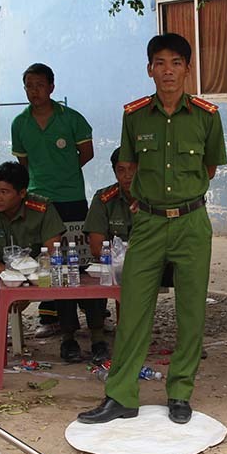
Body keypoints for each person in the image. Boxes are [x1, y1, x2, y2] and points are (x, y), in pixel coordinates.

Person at [78, 33, 227, 425]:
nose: (168, 71)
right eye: (160, 63)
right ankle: (121, 395)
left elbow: (208, 169)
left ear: (187, 69)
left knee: (191, 311)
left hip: (192, 223)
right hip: (146, 223)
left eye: (176, 63)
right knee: (133, 311)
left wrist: (182, 197)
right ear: (149, 69)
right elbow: (129, 165)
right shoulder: (134, 115)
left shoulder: (207, 116)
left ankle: (179, 391)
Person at [11, 62, 102, 362]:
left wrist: (64, 173)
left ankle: (98, 331)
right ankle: (67, 334)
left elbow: (86, 153)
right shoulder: (19, 124)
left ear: (52, 86)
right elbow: (23, 166)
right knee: (56, 267)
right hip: (40, 203)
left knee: (85, 265)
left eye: (38, 85)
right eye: (28, 86)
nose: (33, 91)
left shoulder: (72, 119)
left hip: (73, 199)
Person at [0, 162, 65, 365]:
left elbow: (53, 250)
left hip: (35, 272)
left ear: (22, 193)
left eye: (4, 192)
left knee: (67, 274)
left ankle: (70, 339)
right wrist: (8, 274)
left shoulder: (42, 208)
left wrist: (27, 280)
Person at [80, 148, 136, 364]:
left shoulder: (155, 198)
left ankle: (188, 342)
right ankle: (98, 339)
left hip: (151, 263)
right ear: (114, 173)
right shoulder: (104, 199)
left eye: (132, 169)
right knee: (96, 276)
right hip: (115, 263)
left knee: (184, 270)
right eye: (121, 170)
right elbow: (96, 247)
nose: (127, 176)